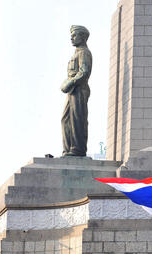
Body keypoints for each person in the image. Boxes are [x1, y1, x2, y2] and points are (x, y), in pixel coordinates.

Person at [61, 25, 92, 157]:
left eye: (74, 35)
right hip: (72, 91)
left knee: (77, 119)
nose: (71, 38)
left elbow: (84, 72)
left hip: (79, 89)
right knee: (66, 119)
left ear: (83, 37)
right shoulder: (77, 53)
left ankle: (77, 149)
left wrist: (70, 82)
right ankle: (68, 149)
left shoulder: (84, 52)